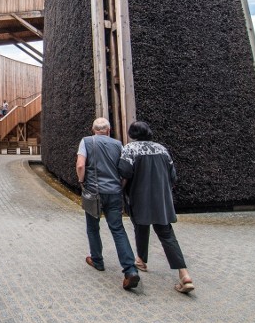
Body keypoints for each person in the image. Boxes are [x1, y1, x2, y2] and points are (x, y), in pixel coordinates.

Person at [119, 121, 195, 294]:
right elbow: (172, 175)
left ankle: (141, 260)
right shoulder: (162, 149)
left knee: (140, 226)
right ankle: (184, 275)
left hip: (139, 197)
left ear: (132, 133)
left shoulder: (130, 149)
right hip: (161, 199)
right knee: (167, 234)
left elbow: (124, 171)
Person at [76, 117, 141, 290]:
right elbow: (124, 169)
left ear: (93, 129)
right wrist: (120, 186)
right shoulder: (118, 144)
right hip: (113, 192)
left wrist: (81, 182)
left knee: (92, 227)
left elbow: (81, 165)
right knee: (118, 230)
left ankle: (97, 260)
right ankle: (130, 269)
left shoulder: (86, 141)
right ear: (109, 130)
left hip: (93, 192)